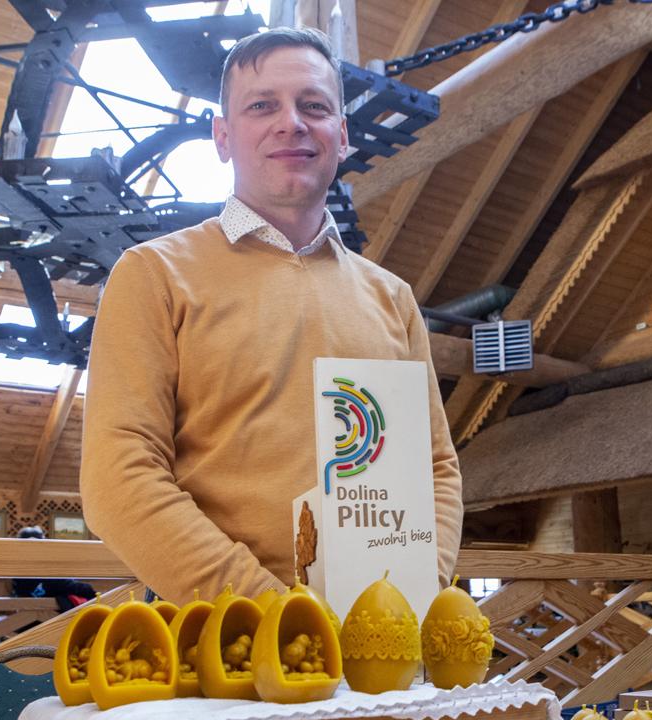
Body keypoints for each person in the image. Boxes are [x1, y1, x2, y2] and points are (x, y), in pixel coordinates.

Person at [80, 27, 462, 602]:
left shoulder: (393, 298)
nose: (292, 123)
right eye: (262, 106)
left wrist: (410, 597)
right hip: (222, 639)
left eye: (314, 106)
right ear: (223, 137)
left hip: (382, 634)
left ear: (342, 135)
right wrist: (273, 615)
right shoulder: (154, 275)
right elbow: (118, 479)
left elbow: (435, 470)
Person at [10, 524, 98, 613]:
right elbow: (65, 584)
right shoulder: (44, 568)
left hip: (30, 613)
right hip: (46, 613)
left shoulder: (15, 569)